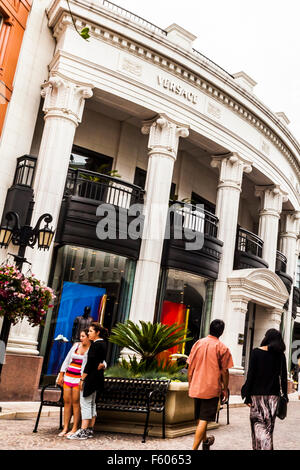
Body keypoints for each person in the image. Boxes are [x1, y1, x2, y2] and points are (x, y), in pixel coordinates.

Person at [187, 319, 233, 450]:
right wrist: (225, 388)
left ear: (209, 328)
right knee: (204, 418)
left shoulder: (198, 343)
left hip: (197, 385)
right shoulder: (222, 348)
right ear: (221, 332)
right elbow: (225, 371)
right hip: (211, 388)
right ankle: (194, 449)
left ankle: (206, 441)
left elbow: (190, 366)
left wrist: (191, 383)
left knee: (201, 417)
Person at [241, 328, 288, 451]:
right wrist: (285, 396)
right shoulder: (281, 356)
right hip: (273, 397)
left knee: (257, 428)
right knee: (268, 429)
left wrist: (247, 395)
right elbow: (283, 378)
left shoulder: (256, 352)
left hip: (257, 397)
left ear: (266, 338)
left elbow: (251, 375)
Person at [68, 322, 108, 440]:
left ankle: (84, 430)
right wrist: (102, 365)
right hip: (98, 379)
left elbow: (90, 364)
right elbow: (100, 362)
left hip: (91, 379)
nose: (89, 333)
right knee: (92, 404)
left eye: (91, 331)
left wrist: (82, 379)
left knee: (85, 403)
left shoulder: (96, 345)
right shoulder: (103, 344)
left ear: (97, 332)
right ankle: (89, 430)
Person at [57, 329, 91, 437]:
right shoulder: (76, 345)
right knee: (67, 402)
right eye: (80, 336)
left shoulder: (91, 349)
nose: (81, 338)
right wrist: (61, 374)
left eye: (83, 336)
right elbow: (67, 360)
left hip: (79, 379)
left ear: (88, 337)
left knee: (76, 404)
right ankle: (65, 427)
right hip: (68, 377)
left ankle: (75, 427)